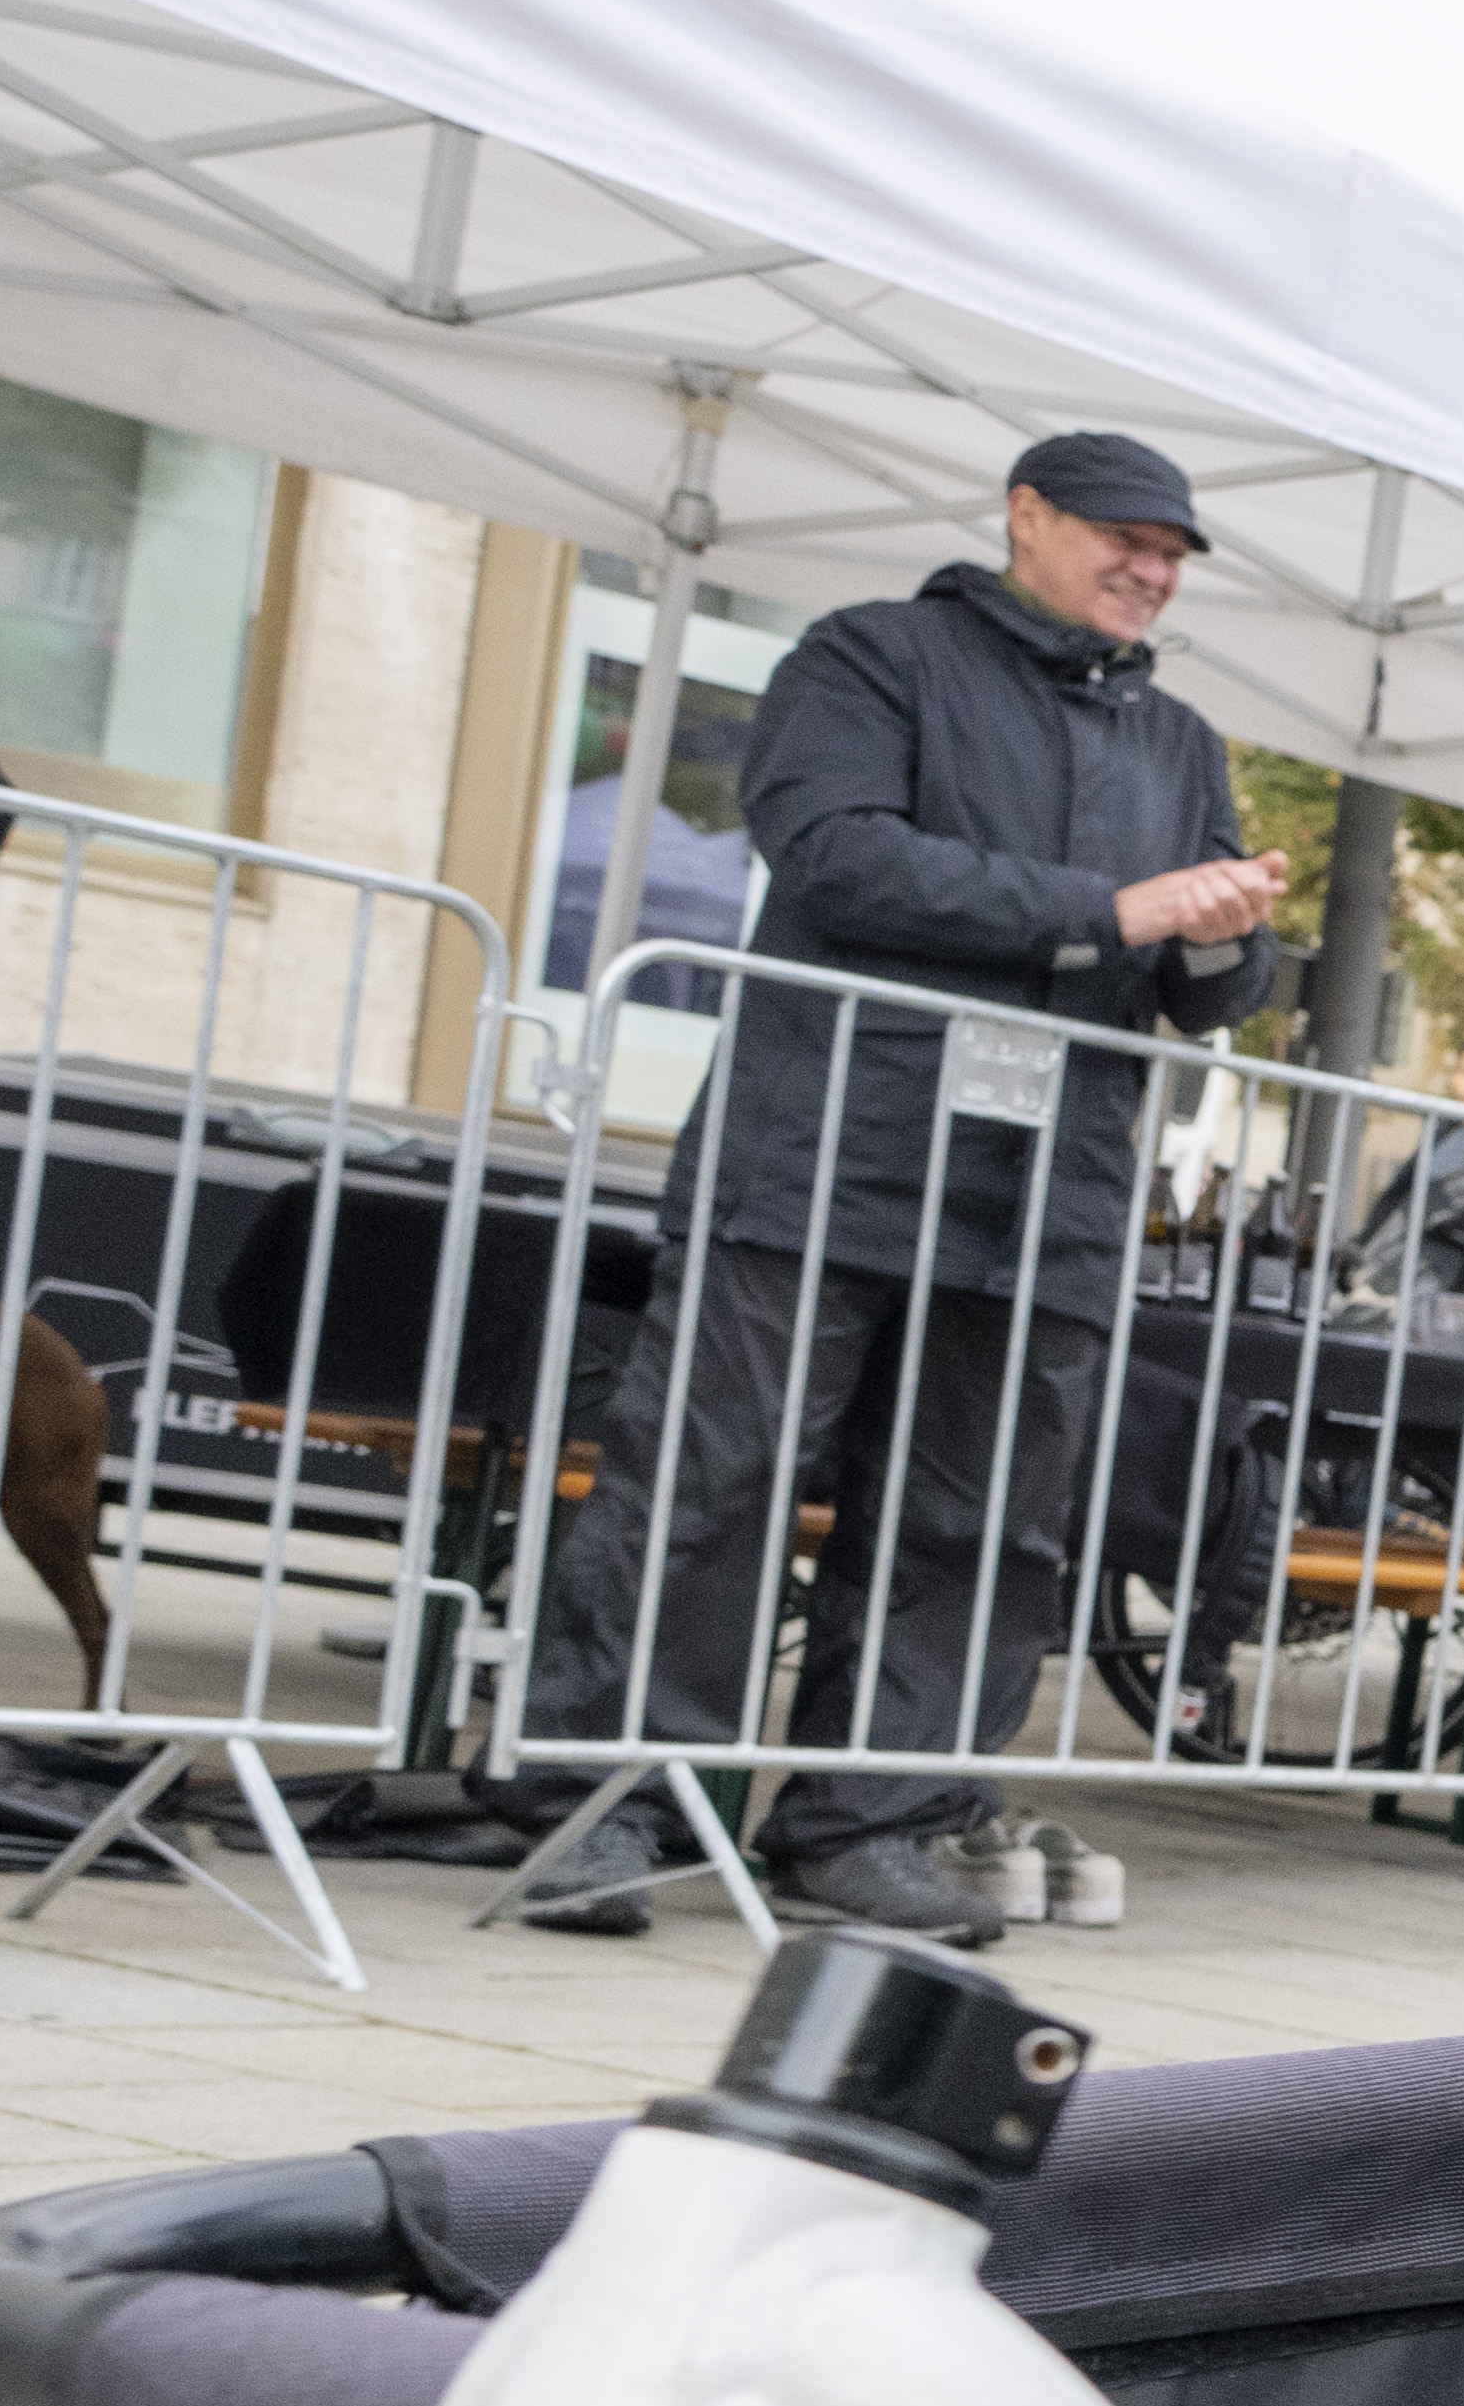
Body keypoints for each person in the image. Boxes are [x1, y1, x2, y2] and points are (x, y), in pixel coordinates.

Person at [508, 432, 1286, 1944]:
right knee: (707, 1485)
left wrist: (1214, 937)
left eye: (1175, 551)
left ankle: (871, 1822)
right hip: (823, 1155)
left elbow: (1211, 987)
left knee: (982, 1522)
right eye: (1125, 536)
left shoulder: (1178, 741)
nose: (1152, 567)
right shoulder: (869, 658)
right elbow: (834, 857)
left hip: (1045, 1190)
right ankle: (607, 1806)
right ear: (1026, 518)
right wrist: (1112, 909)